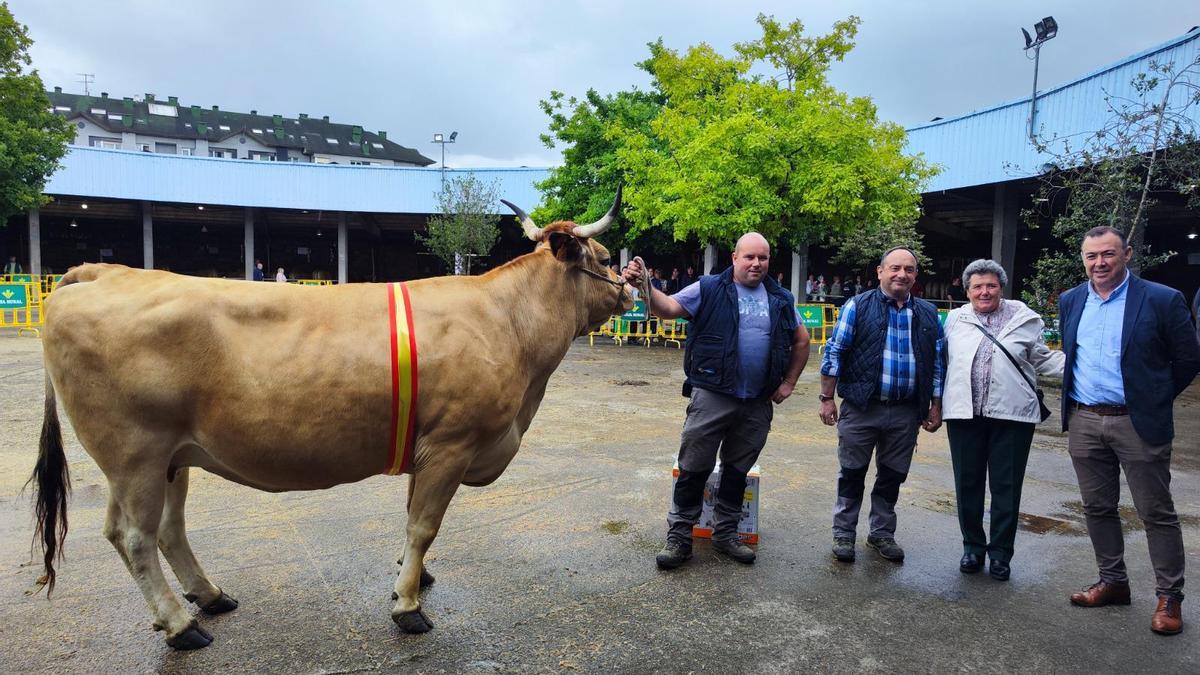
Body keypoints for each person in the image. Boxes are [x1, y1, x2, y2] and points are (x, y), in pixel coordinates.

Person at [623, 233, 811, 569]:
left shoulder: (781, 298)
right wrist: (645, 286)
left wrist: (789, 383)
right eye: (750, 257)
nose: (757, 264)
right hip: (712, 393)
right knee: (694, 467)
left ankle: (726, 534)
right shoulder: (708, 288)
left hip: (756, 400)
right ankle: (679, 537)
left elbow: (802, 340)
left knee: (737, 471)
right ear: (735, 257)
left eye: (763, 258)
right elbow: (667, 309)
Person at [1057, 226, 1200, 635]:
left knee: (1155, 512)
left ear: (1127, 255)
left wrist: (1152, 398)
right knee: (1097, 507)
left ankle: (1169, 596)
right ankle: (1113, 581)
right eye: (1091, 256)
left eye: (1108, 255)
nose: (1099, 263)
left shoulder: (1160, 298)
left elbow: (1188, 359)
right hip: (1084, 419)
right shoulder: (1072, 300)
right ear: (1083, 260)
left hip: (1137, 421)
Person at [818, 246, 945, 563]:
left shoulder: (928, 313)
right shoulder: (858, 306)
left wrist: (936, 405)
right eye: (895, 268)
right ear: (880, 272)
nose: (902, 274)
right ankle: (844, 533)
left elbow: (938, 363)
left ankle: (881, 534)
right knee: (852, 473)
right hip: (862, 407)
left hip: (905, 412)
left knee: (892, 475)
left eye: (909, 269)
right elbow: (835, 352)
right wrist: (826, 398)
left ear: (915, 275)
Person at [942, 259, 1064, 581]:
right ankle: (972, 547)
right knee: (967, 484)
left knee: (1006, 487)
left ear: (1001, 288)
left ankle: (1000, 554)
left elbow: (1043, 358)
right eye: (978, 286)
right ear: (967, 290)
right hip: (964, 414)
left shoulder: (1023, 318)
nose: (985, 292)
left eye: (991, 286)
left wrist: (1085, 369)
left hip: (1012, 416)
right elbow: (941, 361)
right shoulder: (954, 319)